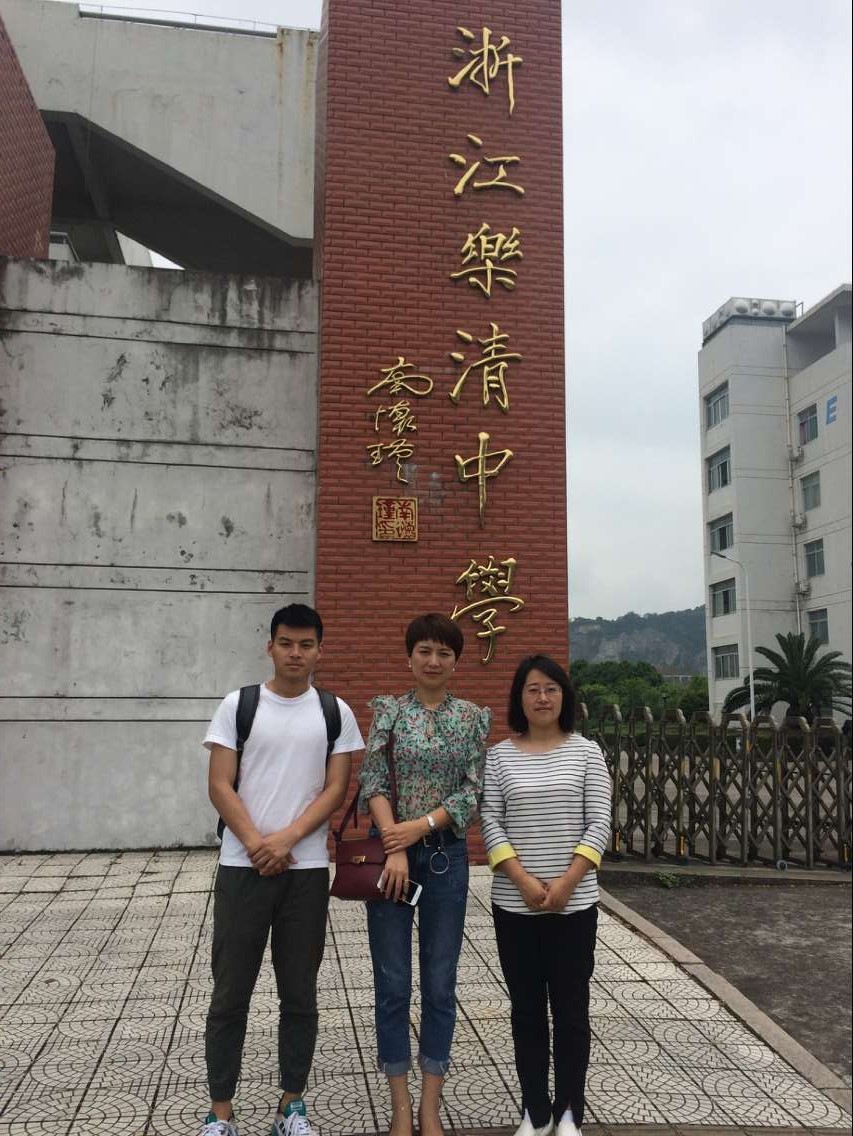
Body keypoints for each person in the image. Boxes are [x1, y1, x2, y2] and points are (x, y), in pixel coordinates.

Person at [201, 604, 365, 1136]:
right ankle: (220, 1112)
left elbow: (335, 789)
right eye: (287, 643)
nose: (296, 653)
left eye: (306, 645)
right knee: (230, 993)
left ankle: (291, 1106)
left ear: (320, 650)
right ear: (269, 646)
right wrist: (257, 844)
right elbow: (219, 784)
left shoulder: (334, 712)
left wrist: (288, 839)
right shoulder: (239, 705)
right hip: (241, 869)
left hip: (306, 871)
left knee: (299, 993)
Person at [358, 613, 491, 1136]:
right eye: (425, 651)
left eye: (444, 653)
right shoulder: (390, 712)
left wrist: (419, 827)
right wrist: (395, 844)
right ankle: (399, 1105)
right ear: (409, 656)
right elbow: (373, 780)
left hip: (444, 859)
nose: (433, 661)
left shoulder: (471, 718)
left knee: (439, 982)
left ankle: (430, 1105)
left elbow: (471, 792)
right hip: (393, 859)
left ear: (456, 661)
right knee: (392, 982)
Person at [480, 655, 611, 1136]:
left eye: (551, 688)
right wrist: (524, 881)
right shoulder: (499, 757)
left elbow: (599, 822)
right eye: (532, 689)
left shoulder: (587, 753)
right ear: (519, 698)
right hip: (515, 907)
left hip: (575, 907)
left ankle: (569, 1111)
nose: (542, 697)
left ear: (564, 696)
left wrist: (567, 882)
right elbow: (490, 820)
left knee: (571, 1011)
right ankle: (535, 1112)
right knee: (527, 1010)